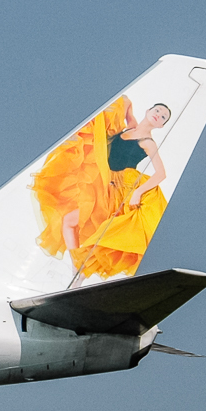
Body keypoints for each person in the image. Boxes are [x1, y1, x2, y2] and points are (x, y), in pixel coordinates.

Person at [31, 97, 170, 284]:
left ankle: (79, 273)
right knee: (69, 222)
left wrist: (138, 192)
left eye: (163, 117)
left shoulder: (148, 142)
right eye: (158, 110)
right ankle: (77, 270)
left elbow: (161, 174)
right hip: (101, 182)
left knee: (89, 231)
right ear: (148, 110)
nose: (158, 115)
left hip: (118, 189)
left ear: (161, 126)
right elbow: (123, 103)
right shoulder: (129, 128)